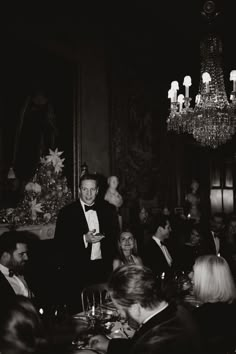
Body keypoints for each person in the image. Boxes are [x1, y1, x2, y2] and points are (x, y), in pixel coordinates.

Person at [89, 264, 204, 354]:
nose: (121, 315)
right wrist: (109, 345)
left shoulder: (153, 345)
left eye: (120, 309)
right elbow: (140, 341)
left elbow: (144, 345)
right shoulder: (179, 310)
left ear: (136, 307)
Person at [54, 173, 120, 313]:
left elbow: (114, 240)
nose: (88, 194)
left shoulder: (108, 210)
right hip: (77, 271)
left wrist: (114, 264)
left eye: (92, 189)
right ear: (79, 190)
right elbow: (59, 245)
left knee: (104, 311)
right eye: (84, 189)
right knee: (80, 313)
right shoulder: (66, 213)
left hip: (103, 268)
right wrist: (84, 239)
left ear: (97, 190)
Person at [191, 255, 236, 354]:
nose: (190, 276)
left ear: (206, 280)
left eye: (194, 272)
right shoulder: (230, 307)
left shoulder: (199, 317)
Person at [0, 230, 34, 302]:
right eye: (21, 254)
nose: (26, 258)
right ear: (5, 256)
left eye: (26, 253)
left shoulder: (24, 268)